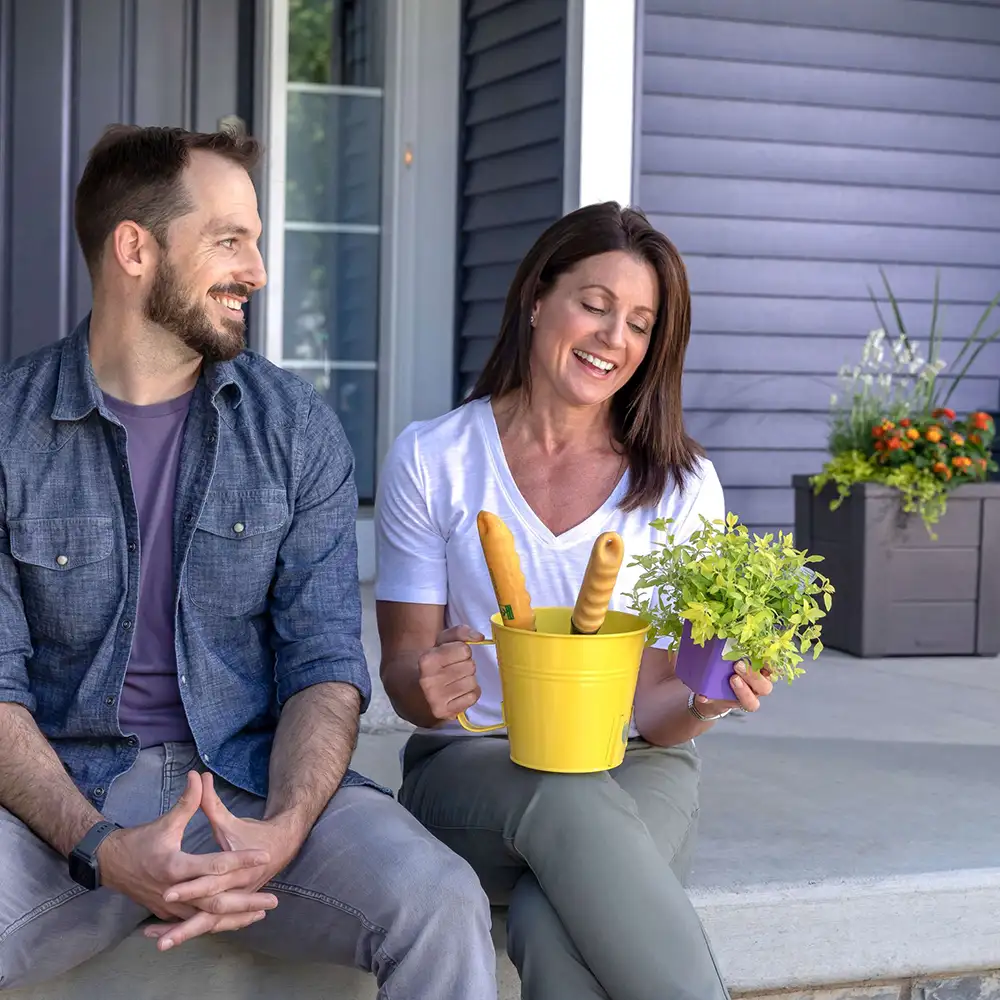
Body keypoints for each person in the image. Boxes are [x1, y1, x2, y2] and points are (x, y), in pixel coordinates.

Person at [0, 124, 496, 998]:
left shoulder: (293, 430)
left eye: (255, 241)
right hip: (60, 812)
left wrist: (290, 826)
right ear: (134, 249)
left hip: (253, 792)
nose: (257, 272)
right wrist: (102, 849)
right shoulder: (8, 432)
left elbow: (323, 664)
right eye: (230, 240)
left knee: (441, 901)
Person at [374, 201, 775, 1000]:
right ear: (536, 299)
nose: (612, 338)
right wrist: (428, 681)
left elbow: (658, 712)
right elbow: (404, 674)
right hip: (474, 766)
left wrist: (706, 700)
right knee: (565, 800)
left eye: (638, 323)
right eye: (593, 305)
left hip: (640, 763)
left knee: (553, 918)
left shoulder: (682, 487)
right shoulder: (435, 458)